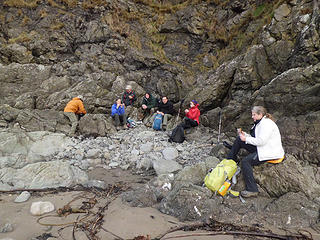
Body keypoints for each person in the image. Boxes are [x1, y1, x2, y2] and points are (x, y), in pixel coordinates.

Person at [226, 106, 285, 198]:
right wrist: (245, 136)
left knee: (246, 161)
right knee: (239, 140)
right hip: (262, 147)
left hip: (270, 152)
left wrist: (246, 139)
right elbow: (257, 138)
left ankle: (252, 189)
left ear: (260, 114)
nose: (252, 117)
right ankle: (230, 160)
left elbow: (261, 141)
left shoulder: (266, 124)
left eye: (254, 115)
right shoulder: (259, 122)